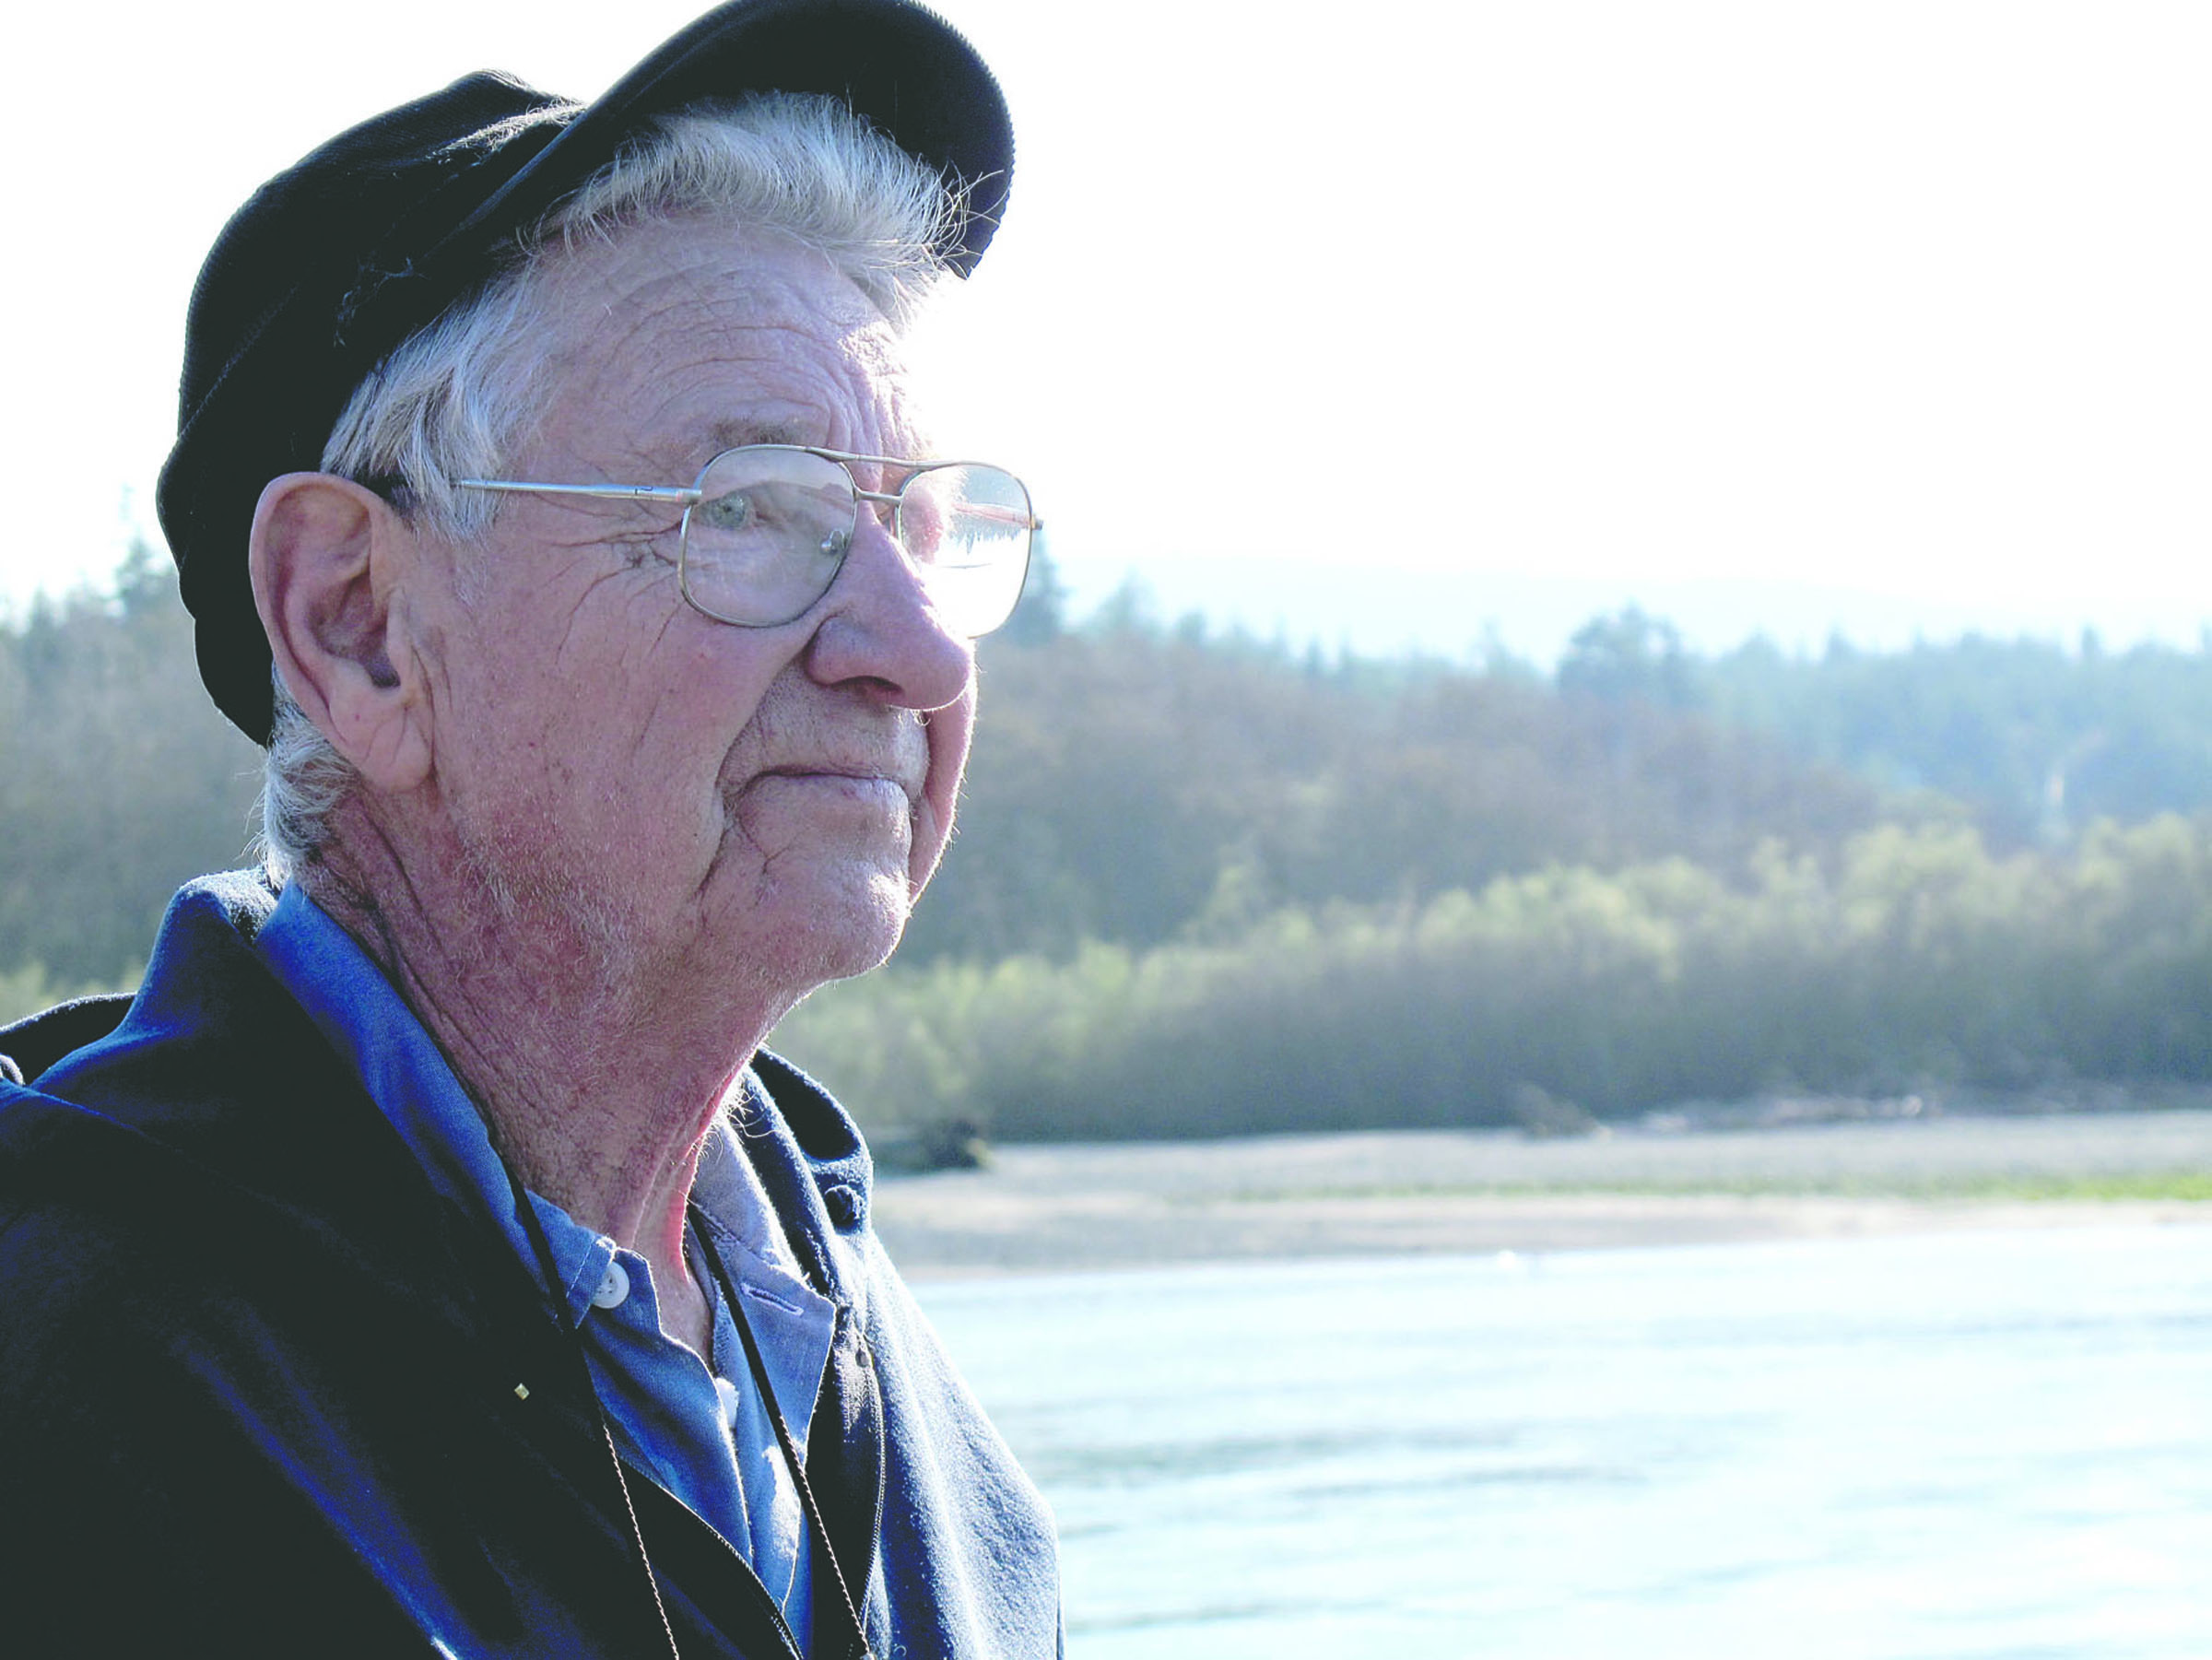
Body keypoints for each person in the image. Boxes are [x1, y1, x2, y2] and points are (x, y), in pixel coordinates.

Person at [0, 3, 1060, 1655]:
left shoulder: (875, 1380)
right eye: (750, 514)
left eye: (922, 524)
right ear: (357, 624)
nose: (914, 648)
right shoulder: (80, 1404)